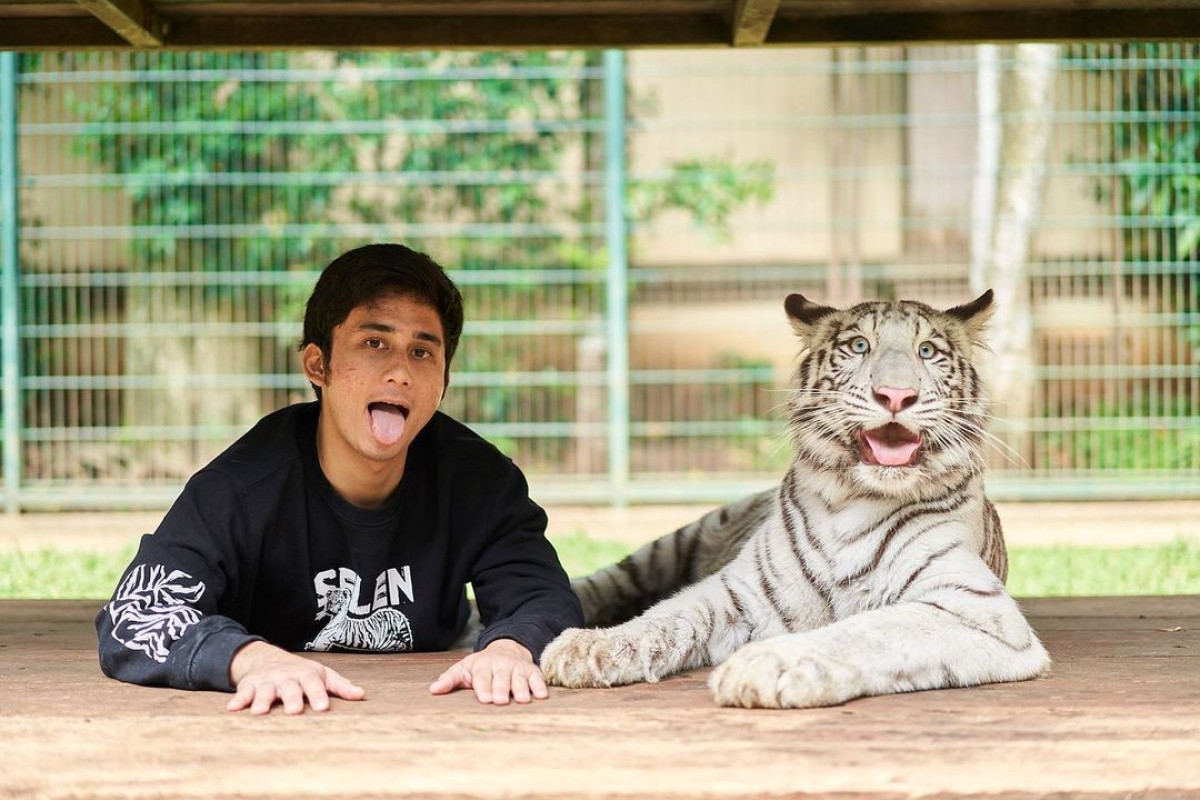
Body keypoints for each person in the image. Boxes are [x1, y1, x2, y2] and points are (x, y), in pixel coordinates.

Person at [95, 243, 583, 714]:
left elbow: (542, 595)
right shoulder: (240, 487)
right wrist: (248, 659)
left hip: (435, 714)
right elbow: (136, 614)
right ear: (318, 364)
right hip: (281, 719)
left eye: (422, 352)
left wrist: (512, 649)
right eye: (374, 343)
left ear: (443, 382)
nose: (400, 372)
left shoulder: (480, 480)